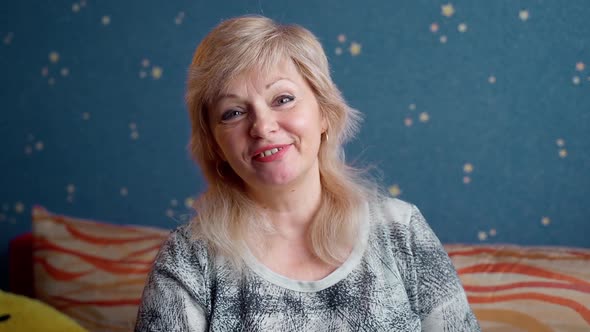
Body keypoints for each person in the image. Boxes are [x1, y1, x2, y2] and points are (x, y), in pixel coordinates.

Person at [135, 15, 480, 331]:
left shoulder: (401, 232)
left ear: (325, 113)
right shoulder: (188, 260)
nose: (263, 127)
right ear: (214, 144)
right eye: (234, 112)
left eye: (282, 99)